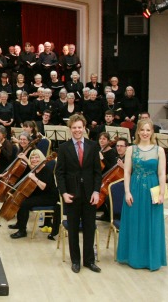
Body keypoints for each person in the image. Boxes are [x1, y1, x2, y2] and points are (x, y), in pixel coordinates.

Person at [116, 119, 167, 271]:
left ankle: (151, 259)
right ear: (137, 131)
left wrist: (162, 193)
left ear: (152, 132)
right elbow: (126, 171)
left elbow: (162, 173)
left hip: (153, 188)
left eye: (148, 130)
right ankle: (135, 258)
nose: (145, 133)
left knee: (152, 223)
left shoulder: (159, 150)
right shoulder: (131, 149)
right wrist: (127, 191)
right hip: (135, 188)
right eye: (142, 130)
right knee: (135, 222)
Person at [56, 114, 102, 274]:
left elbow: (97, 172)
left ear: (84, 128)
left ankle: (89, 261)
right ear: (70, 129)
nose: (77, 130)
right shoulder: (63, 148)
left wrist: (97, 191)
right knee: (73, 229)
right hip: (72, 194)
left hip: (90, 194)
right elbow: (59, 173)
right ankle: (75, 261)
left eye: (79, 127)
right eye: (74, 127)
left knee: (90, 228)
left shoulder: (93, 145)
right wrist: (63, 193)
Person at [8, 149, 60, 240]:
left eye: (37, 157)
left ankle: (22, 231)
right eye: (32, 158)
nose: (34, 159)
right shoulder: (35, 168)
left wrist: (34, 178)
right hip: (41, 194)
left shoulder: (46, 169)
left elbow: (44, 187)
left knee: (24, 203)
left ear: (41, 158)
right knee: (21, 198)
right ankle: (20, 225)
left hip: (49, 197)